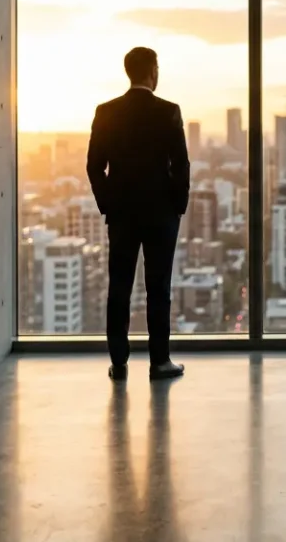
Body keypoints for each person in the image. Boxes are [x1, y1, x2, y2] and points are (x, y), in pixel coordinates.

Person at [87, 47, 189, 381]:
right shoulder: (169, 111)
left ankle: (118, 362)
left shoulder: (106, 111)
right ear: (153, 71)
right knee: (159, 288)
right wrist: (178, 206)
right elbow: (181, 165)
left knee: (119, 286)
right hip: (162, 215)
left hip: (122, 215)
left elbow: (94, 166)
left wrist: (108, 203)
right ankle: (160, 362)